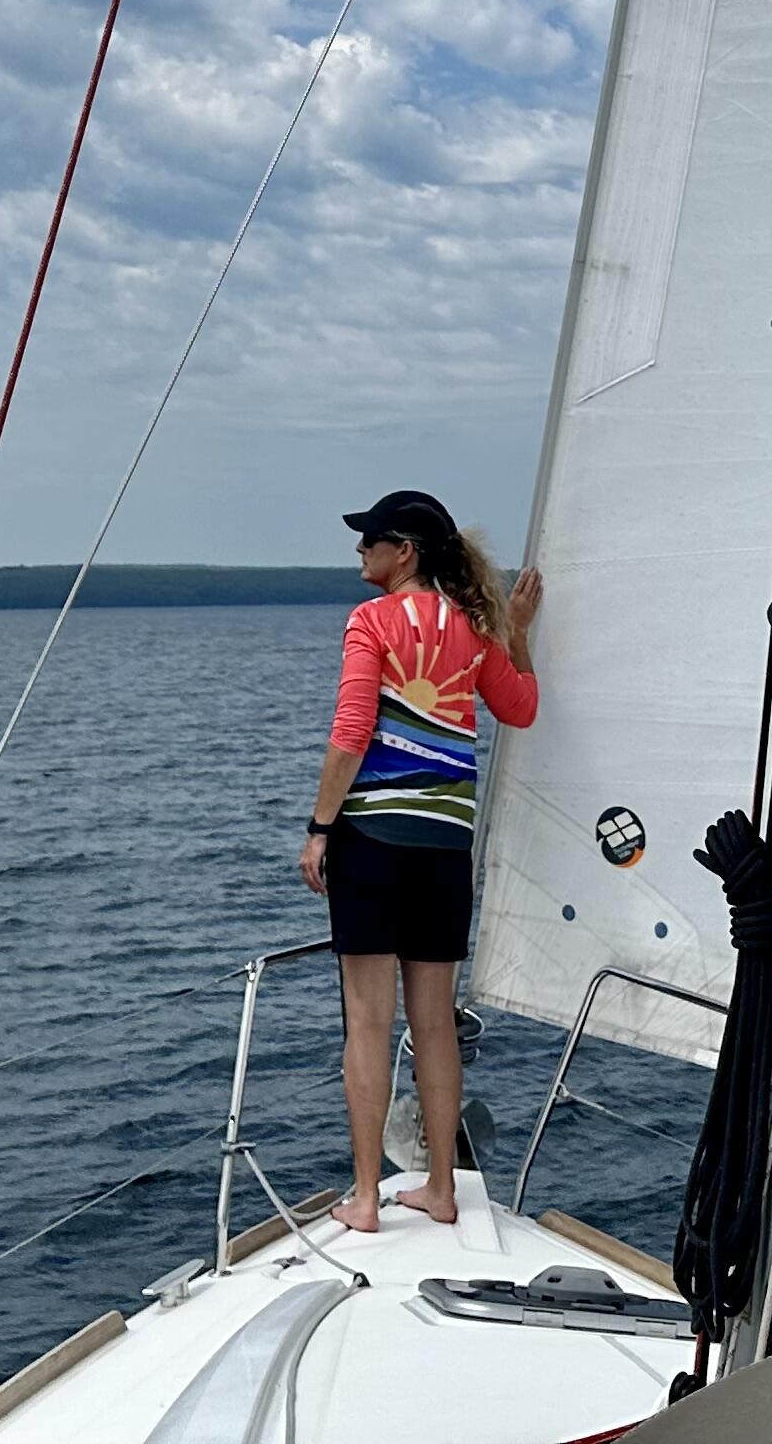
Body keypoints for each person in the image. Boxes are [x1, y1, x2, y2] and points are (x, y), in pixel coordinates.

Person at [298, 487, 541, 1231]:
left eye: (370, 538)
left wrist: (319, 827)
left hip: (373, 843)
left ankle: (367, 1200)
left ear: (404, 550)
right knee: (433, 1023)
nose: (359, 550)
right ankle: (441, 1187)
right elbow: (522, 707)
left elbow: (350, 731)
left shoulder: (370, 621)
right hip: (445, 852)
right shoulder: (473, 627)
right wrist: (516, 630)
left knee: (368, 1023)